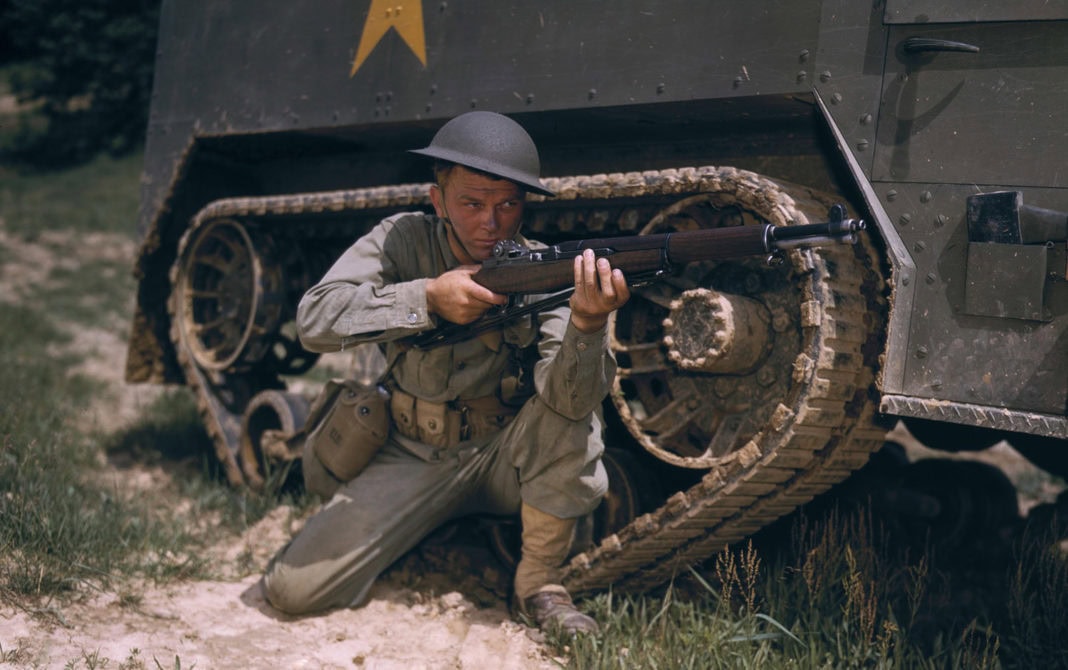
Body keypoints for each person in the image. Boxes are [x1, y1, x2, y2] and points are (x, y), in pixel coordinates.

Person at [262, 110, 630, 635]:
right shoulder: (402, 240)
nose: (491, 222)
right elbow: (314, 319)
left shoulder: (545, 268)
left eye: (508, 204)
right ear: (439, 202)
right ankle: (443, 526)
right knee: (292, 590)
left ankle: (539, 584)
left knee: (568, 416)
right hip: (409, 449)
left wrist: (589, 324)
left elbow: (573, 401)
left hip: (506, 455)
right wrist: (425, 298)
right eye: (472, 203)